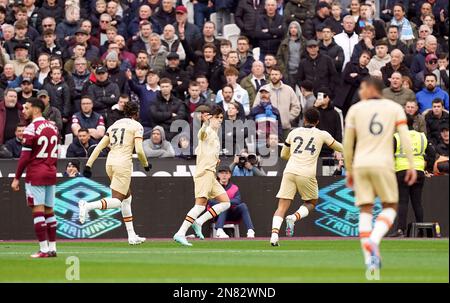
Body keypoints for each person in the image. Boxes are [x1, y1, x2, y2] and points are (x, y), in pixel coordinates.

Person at [343, 77, 416, 274]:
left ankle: (370, 260)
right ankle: (374, 240)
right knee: (390, 206)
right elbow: (405, 137)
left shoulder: (355, 110)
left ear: (369, 89)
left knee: (365, 210)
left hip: (361, 164)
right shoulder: (394, 108)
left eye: (361, 88)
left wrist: (349, 169)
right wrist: (411, 164)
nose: (359, 92)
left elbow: (347, 145)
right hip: (383, 163)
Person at [79, 101, 151, 245]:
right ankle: (88, 206)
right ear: (136, 113)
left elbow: (99, 147)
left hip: (110, 163)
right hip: (123, 164)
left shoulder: (115, 125)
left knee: (127, 198)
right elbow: (140, 150)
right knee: (118, 201)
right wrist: (146, 165)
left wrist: (88, 165)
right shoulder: (137, 126)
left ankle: (132, 236)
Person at [270, 107, 343, 246]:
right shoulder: (322, 134)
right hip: (307, 173)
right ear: (317, 121)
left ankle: (274, 236)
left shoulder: (294, 132)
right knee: (311, 202)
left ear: (304, 119)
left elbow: (283, 155)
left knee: (282, 206)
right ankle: (294, 217)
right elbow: (339, 147)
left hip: (290, 171)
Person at [173, 106, 231, 246]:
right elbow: (201, 135)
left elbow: (203, 149)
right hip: (204, 173)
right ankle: (180, 233)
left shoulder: (215, 134)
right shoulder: (206, 131)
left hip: (211, 173)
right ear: (211, 118)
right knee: (199, 206)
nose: (220, 121)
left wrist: (214, 159)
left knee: (225, 202)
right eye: (218, 118)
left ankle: (199, 222)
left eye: (221, 118)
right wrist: (205, 123)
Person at [11, 98, 59, 258]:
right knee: (49, 211)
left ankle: (43, 249)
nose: (23, 110)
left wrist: (17, 177)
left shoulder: (31, 129)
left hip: (36, 173)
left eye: (26, 107)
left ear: (36, 109)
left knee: (38, 211)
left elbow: (24, 157)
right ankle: (53, 247)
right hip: (51, 171)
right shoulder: (53, 127)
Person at [392, 114, 434, 237]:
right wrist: (428, 168)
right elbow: (432, 154)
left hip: (402, 171)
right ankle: (421, 230)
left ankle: (400, 230)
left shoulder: (397, 137)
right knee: (417, 202)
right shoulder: (422, 136)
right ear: (413, 123)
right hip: (419, 172)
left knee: (403, 202)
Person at [254, 66, 301, 140]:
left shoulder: (288, 89)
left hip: (284, 128)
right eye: (272, 75)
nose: (274, 77)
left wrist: (288, 118)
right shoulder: (264, 89)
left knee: (284, 150)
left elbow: (296, 106)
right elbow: (256, 106)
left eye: (276, 74)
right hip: (267, 129)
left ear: (281, 76)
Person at [209, 166, 256, 238]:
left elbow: (237, 201)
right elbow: (211, 202)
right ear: (218, 175)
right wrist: (224, 204)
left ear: (230, 175)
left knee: (243, 206)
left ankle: (250, 230)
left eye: (226, 173)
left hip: (232, 214)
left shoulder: (234, 188)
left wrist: (226, 203)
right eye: (221, 173)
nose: (224, 175)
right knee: (224, 206)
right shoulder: (214, 187)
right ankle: (219, 229)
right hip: (217, 214)